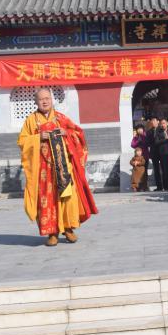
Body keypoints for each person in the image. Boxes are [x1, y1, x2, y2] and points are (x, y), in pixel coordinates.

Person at [17, 87, 98, 246]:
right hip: (43, 170)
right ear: (36, 102)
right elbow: (22, 142)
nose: (45, 101)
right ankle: (52, 233)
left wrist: (66, 133)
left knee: (67, 198)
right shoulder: (31, 121)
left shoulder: (61, 118)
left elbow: (78, 134)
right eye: (41, 99)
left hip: (62, 168)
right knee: (47, 201)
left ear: (52, 100)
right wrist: (38, 137)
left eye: (47, 98)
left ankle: (68, 229)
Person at [152, 119, 168, 191]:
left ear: (167, 123)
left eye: (164, 123)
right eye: (161, 123)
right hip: (163, 153)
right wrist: (165, 139)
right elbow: (156, 142)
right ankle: (166, 186)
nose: (163, 125)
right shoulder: (158, 132)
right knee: (165, 170)